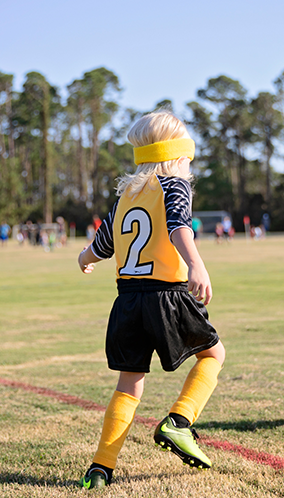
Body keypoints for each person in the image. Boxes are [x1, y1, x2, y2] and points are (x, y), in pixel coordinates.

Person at [76, 111, 224, 489]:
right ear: (178, 155)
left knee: (129, 384)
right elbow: (178, 227)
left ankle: (100, 468)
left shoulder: (127, 194)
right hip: (166, 295)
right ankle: (179, 422)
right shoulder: (174, 185)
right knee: (214, 355)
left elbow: (103, 244)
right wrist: (196, 264)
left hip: (127, 300)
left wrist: (84, 258)